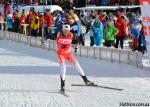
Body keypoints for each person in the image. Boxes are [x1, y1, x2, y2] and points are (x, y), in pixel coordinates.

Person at [56, 24, 94, 92]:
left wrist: (76, 44)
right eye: (64, 30)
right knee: (63, 67)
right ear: (62, 30)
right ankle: (62, 84)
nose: (66, 32)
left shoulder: (71, 35)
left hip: (69, 53)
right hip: (61, 54)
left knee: (76, 64)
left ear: (69, 30)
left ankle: (85, 79)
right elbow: (53, 36)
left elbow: (75, 41)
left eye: (67, 31)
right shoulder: (59, 34)